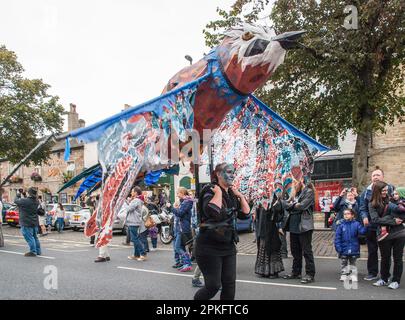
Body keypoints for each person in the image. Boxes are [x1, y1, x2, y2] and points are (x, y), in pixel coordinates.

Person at [194, 163, 250, 300]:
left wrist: (241, 197)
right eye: (229, 172)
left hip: (228, 246)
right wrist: (218, 192)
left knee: (230, 285)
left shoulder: (231, 193)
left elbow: (246, 214)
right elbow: (213, 212)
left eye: (233, 172)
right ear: (218, 174)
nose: (232, 175)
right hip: (208, 247)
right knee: (213, 285)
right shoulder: (210, 190)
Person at [359, 168, 395, 281]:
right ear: (371, 177)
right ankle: (372, 273)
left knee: (386, 252)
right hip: (372, 225)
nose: (375, 177)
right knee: (372, 250)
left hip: (386, 226)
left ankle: (386, 275)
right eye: (374, 175)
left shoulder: (390, 189)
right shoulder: (366, 192)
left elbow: (395, 204)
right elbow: (362, 208)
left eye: (378, 175)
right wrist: (364, 217)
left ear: (383, 177)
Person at [368, 181, 405, 289]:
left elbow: (402, 215)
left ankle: (396, 280)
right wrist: (392, 221)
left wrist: (384, 220)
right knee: (385, 258)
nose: (386, 192)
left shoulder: (393, 200)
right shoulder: (372, 204)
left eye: (386, 190)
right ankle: (384, 278)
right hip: (384, 234)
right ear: (377, 191)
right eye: (383, 190)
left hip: (399, 233)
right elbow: (375, 220)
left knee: (398, 258)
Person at [282, 177, 316, 284]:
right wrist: (292, 205)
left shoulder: (309, 192)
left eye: (296, 181)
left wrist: (290, 205)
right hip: (293, 225)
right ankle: (296, 272)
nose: (294, 184)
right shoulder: (293, 193)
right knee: (295, 251)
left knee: (306, 251)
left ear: (301, 181)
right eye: (293, 182)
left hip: (304, 226)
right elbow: (284, 205)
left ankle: (310, 274)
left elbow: (302, 206)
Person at [254, 184, 285, 279]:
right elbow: (257, 216)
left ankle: (273, 271)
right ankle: (263, 270)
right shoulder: (260, 200)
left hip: (271, 229)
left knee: (272, 248)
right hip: (263, 229)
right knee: (263, 248)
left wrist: (274, 207)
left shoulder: (275, 200)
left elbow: (280, 214)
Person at [334, 209, 367, 281]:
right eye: (345, 214)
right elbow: (337, 237)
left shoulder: (356, 224)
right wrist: (338, 247)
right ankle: (344, 274)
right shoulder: (341, 225)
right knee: (344, 262)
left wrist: (366, 225)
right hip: (343, 248)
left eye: (348, 214)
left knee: (353, 262)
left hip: (353, 247)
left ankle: (353, 275)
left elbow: (362, 231)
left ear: (352, 215)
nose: (346, 215)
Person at [14, 187, 42, 257]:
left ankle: (33, 251)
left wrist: (18, 194)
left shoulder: (25, 201)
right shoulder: (37, 201)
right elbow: (28, 200)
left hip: (26, 222)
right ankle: (38, 251)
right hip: (34, 222)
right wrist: (24, 195)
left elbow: (16, 200)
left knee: (29, 238)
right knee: (35, 237)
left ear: (29, 193)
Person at [172, 187, 194, 272]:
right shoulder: (183, 202)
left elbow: (180, 213)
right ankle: (185, 264)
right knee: (181, 246)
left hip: (183, 228)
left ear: (182, 193)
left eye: (178, 193)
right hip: (179, 227)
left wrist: (172, 208)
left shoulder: (187, 202)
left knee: (178, 247)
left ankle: (187, 263)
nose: (177, 195)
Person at [126, 187, 147, 261]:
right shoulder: (137, 200)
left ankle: (143, 253)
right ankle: (136, 254)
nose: (131, 192)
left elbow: (129, 209)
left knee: (135, 239)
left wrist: (127, 204)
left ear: (135, 192)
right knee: (135, 238)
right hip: (134, 221)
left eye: (132, 191)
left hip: (133, 221)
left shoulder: (136, 200)